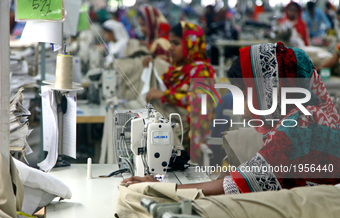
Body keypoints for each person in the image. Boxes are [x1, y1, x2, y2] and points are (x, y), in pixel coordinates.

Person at [122, 42, 340, 196]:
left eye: (244, 94)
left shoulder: (298, 128)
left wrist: (161, 188)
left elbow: (239, 185)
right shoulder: (315, 116)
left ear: (269, 91)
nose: (239, 105)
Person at [145, 21, 216, 163]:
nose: (171, 48)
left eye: (176, 43)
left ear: (191, 44)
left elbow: (195, 100)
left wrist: (164, 95)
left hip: (190, 131)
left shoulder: (202, 70)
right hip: (178, 125)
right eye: (170, 43)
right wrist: (152, 63)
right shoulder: (177, 69)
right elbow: (164, 82)